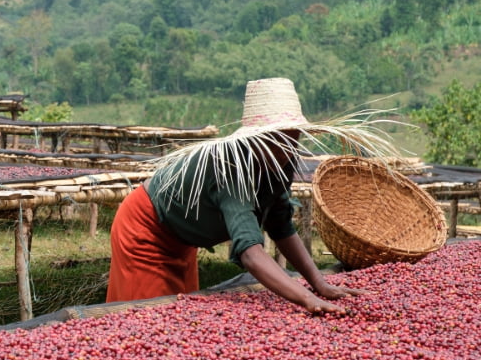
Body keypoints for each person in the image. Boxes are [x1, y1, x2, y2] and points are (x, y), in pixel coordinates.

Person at [106, 77, 397, 315]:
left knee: (182, 312)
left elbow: (280, 225)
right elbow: (251, 254)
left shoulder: (282, 161)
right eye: (275, 139)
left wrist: (318, 283)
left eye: (293, 137)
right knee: (145, 317)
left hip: (183, 238)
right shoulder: (231, 169)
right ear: (255, 138)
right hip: (147, 230)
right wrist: (305, 299)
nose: (285, 148)